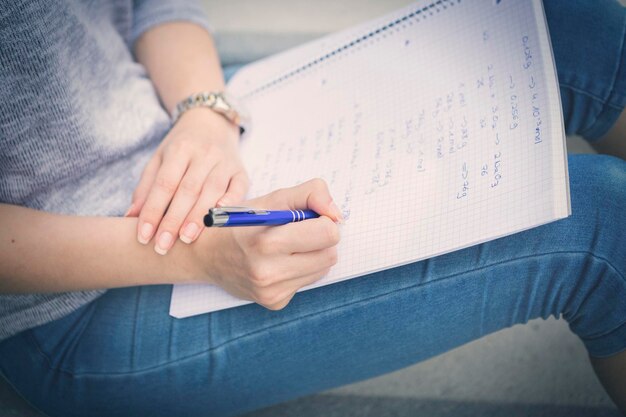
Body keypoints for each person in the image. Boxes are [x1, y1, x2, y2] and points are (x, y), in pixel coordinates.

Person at [0, 0, 624, 416]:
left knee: (578, 29)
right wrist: (201, 254)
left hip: (182, 120)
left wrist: (204, 110)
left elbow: (154, 5)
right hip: (76, 296)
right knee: (600, 223)